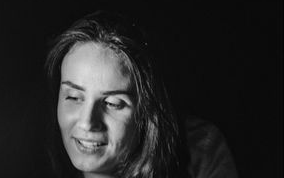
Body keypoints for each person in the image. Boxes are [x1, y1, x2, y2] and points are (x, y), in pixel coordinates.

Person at [44, 10, 238, 178]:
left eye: (112, 103)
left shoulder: (200, 149)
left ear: (146, 111)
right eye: (74, 97)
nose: (87, 122)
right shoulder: (30, 158)